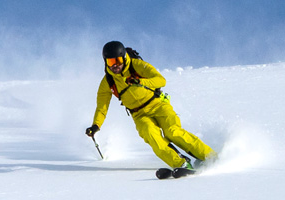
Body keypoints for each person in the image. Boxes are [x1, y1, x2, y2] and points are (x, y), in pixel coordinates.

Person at [85, 41, 216, 170]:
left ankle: (210, 156)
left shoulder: (137, 66)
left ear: (124, 58)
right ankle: (181, 164)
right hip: (139, 114)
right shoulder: (107, 81)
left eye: (117, 61)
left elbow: (161, 80)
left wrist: (140, 81)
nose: (115, 66)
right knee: (152, 136)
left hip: (158, 104)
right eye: (110, 62)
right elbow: (102, 107)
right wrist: (96, 125)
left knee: (172, 132)